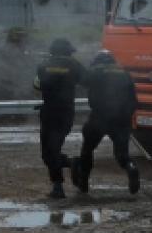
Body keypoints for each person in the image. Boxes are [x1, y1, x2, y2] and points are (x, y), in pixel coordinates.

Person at [73, 49, 140, 195]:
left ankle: (83, 182)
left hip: (99, 117)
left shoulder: (96, 72)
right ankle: (131, 168)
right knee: (122, 154)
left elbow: (81, 80)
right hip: (122, 119)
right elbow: (134, 101)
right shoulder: (125, 74)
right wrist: (126, 116)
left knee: (87, 149)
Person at [32, 37, 85, 199]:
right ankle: (72, 164)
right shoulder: (75, 65)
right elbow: (85, 81)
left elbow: (36, 85)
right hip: (66, 113)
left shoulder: (42, 66)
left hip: (49, 113)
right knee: (50, 152)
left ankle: (58, 187)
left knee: (50, 151)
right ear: (68, 51)